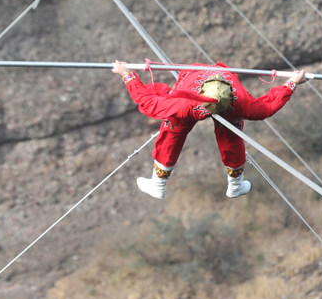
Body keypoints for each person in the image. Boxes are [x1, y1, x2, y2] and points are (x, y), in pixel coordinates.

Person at [112, 60, 308, 199]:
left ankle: (158, 184)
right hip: (194, 104)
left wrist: (127, 74)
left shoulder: (240, 101)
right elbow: (268, 106)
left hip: (218, 107)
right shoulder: (188, 101)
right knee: (178, 128)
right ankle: (236, 185)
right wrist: (292, 83)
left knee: (180, 130)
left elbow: (147, 101)